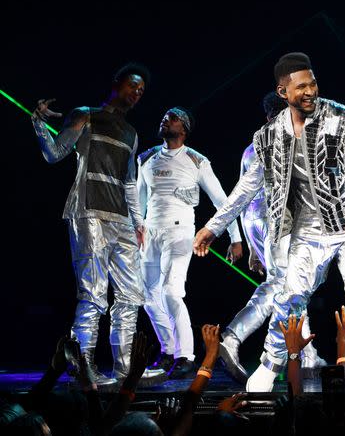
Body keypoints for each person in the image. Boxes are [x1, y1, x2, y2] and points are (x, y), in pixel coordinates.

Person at [194, 52, 345, 392]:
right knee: (290, 294)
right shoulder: (268, 137)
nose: (309, 92)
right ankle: (269, 365)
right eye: (301, 87)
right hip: (307, 230)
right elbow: (246, 188)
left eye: (312, 84)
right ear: (283, 93)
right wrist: (213, 227)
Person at [31, 63, 158, 385]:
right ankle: (83, 367)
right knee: (93, 295)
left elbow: (129, 182)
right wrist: (38, 124)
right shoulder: (85, 114)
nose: (137, 93)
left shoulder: (132, 133)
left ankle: (125, 366)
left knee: (131, 295)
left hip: (122, 221)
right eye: (133, 86)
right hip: (89, 214)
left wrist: (138, 222)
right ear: (117, 84)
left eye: (141, 91)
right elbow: (55, 153)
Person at [219, 92, 324, 384]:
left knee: (293, 286)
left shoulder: (250, 147)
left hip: (255, 220)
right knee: (281, 286)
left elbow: (243, 197)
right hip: (280, 221)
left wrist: (252, 246)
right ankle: (232, 336)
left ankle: (308, 353)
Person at [137, 107, 242, 379]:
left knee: (172, 292)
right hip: (150, 233)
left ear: (183, 128)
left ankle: (186, 355)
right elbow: (138, 202)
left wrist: (236, 237)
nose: (165, 119)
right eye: (164, 116)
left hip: (180, 232)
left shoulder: (196, 161)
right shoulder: (146, 158)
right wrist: (134, 231)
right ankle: (168, 350)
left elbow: (223, 202)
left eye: (171, 117)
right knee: (148, 297)